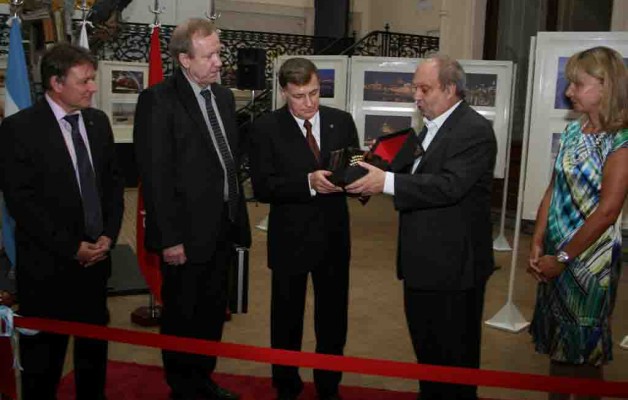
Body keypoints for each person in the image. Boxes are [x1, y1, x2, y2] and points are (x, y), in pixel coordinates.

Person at [346, 55, 496, 400]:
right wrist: (361, 168)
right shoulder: (430, 127)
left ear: (451, 89)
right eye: (415, 87)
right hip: (422, 264)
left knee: (454, 361)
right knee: (427, 355)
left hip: (455, 269)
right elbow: (409, 173)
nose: (416, 96)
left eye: (424, 88)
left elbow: (448, 186)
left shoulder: (473, 130)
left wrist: (386, 182)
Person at [133, 18, 251, 400]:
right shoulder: (158, 100)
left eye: (220, 52)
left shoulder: (223, 97)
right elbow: (155, 177)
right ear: (184, 59)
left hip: (223, 227)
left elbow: (226, 162)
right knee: (183, 316)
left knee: (213, 313)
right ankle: (182, 389)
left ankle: (203, 380)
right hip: (183, 236)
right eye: (211, 54)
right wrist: (169, 239)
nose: (220, 62)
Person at [0, 43, 124, 400]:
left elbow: (114, 186)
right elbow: (22, 204)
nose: (92, 88)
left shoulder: (97, 122)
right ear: (56, 82)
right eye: (84, 81)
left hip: (97, 262)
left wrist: (108, 237)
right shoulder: (18, 129)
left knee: (92, 354)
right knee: (44, 364)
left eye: (92, 80)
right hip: (47, 268)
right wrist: (72, 248)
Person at [249, 57, 359, 400]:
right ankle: (286, 384)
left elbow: (354, 167)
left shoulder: (342, 121)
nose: (309, 103)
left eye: (314, 93)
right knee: (286, 320)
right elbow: (263, 187)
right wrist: (308, 183)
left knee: (332, 320)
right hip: (290, 238)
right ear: (284, 92)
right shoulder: (265, 128)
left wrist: (361, 178)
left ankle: (329, 386)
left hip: (334, 237)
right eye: (299, 96)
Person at [527, 46, 628, 400]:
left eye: (577, 84)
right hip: (557, 254)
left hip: (590, 264)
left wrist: (564, 259)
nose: (568, 91)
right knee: (558, 342)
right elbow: (553, 189)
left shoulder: (622, 139)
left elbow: (607, 211)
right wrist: (538, 242)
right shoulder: (574, 131)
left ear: (606, 85)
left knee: (585, 353)